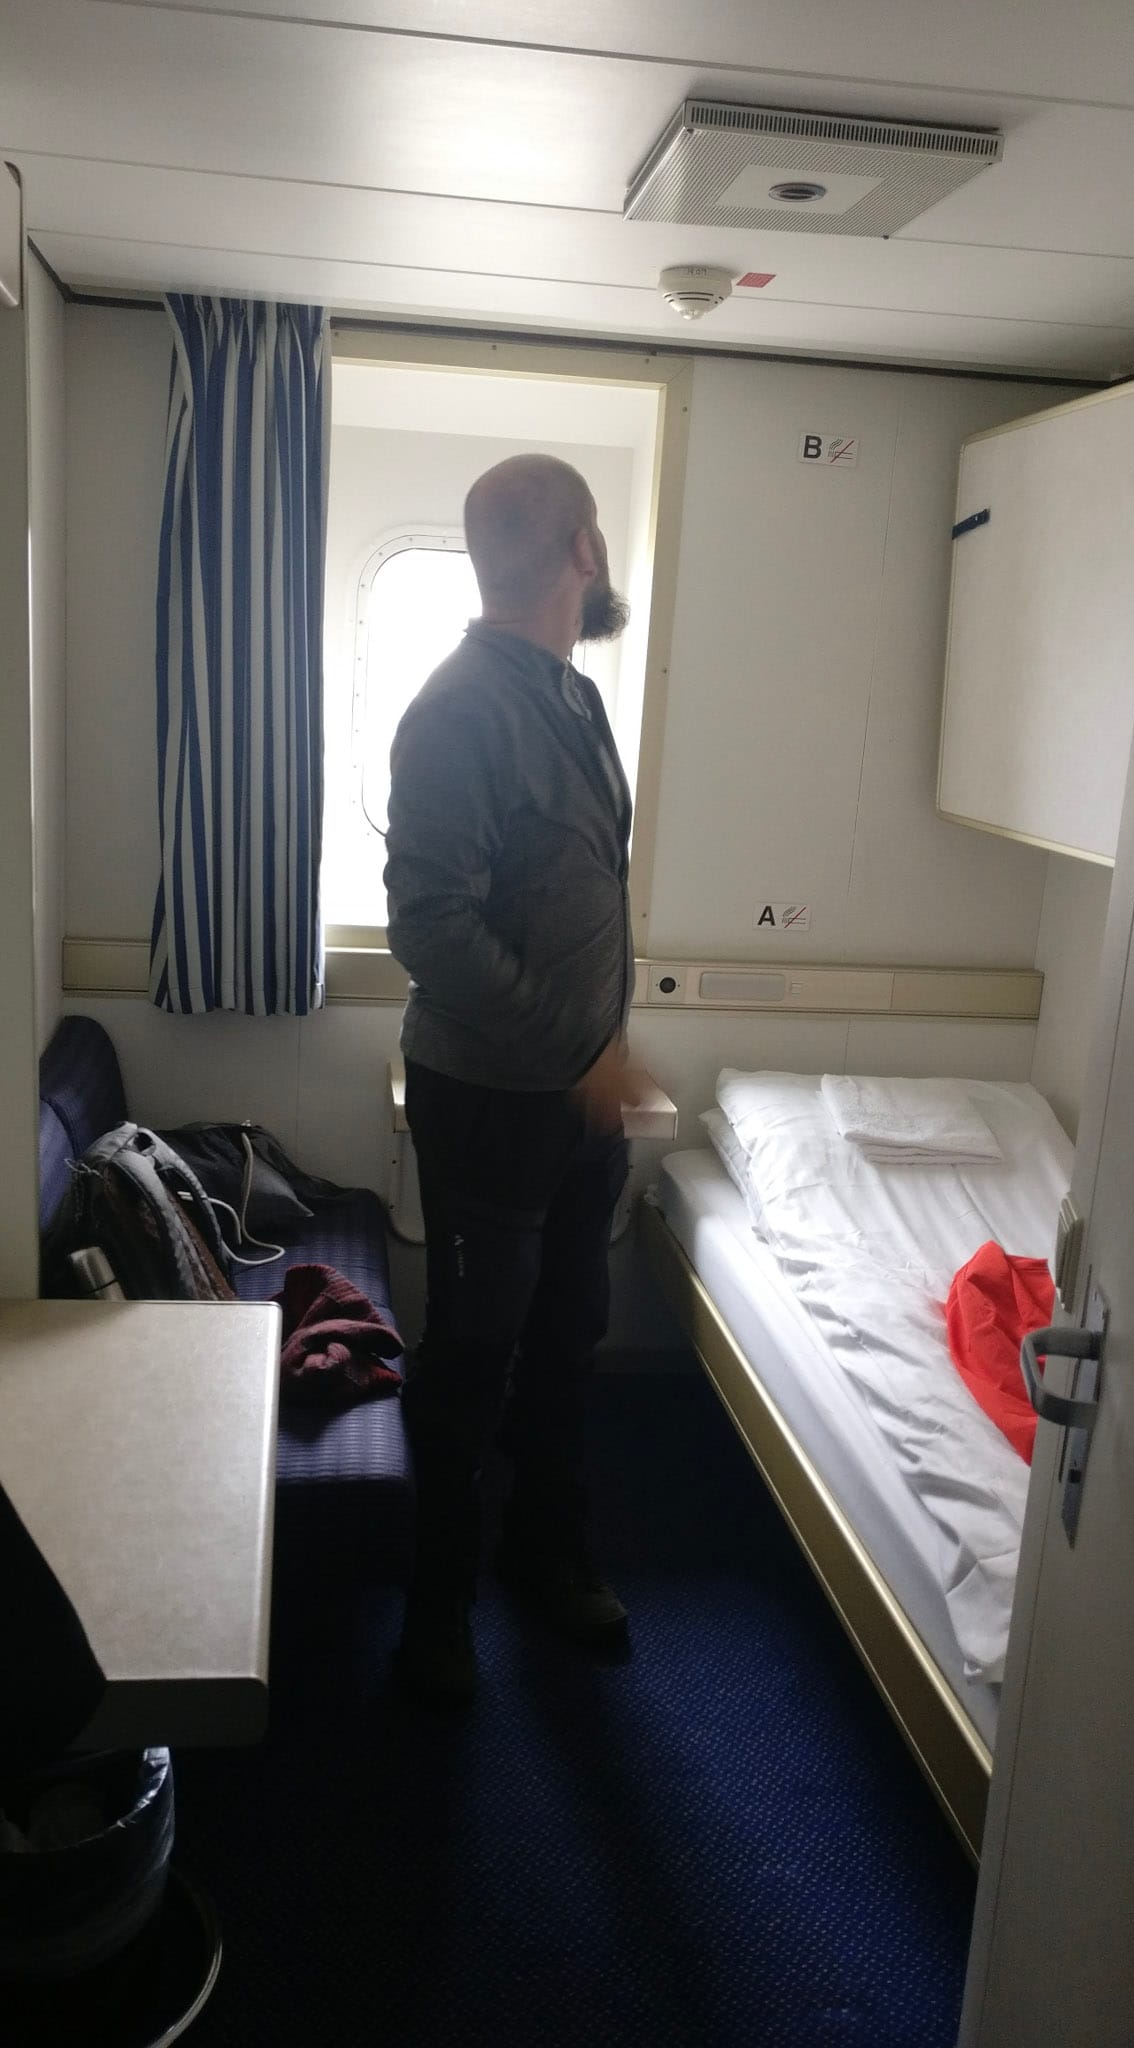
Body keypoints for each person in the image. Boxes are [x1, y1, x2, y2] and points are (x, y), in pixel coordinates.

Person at [383, 453, 643, 1703]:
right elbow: (430, 927)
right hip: (493, 1100)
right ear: (583, 550)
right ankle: (435, 1612)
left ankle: (548, 1550)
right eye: (602, 539)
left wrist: (596, 1056)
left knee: (568, 1332)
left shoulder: (574, 698)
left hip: (578, 1100)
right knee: (472, 1351)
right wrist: (571, 1046)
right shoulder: (459, 710)